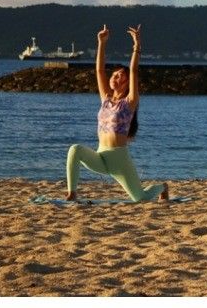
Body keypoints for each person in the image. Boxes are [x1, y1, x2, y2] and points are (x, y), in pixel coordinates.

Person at [65, 24, 168, 202]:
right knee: (75, 150)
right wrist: (102, 43)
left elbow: (134, 70)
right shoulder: (105, 99)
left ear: (128, 82)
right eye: (114, 75)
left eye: (120, 75)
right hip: (100, 156)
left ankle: (163, 187)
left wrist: (137, 46)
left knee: (140, 198)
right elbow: (98, 70)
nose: (114, 77)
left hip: (119, 160)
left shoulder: (130, 102)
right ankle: (72, 193)